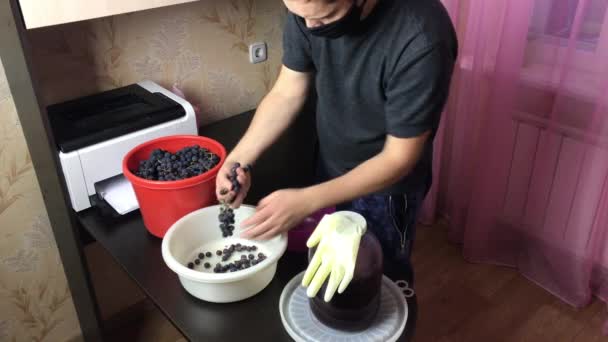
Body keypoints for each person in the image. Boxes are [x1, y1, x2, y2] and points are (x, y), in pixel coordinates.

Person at [215, 0, 458, 285]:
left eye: (325, 17)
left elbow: (399, 157)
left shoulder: (423, 37)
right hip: (331, 164)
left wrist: (308, 199)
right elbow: (287, 92)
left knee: (378, 277)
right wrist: (238, 159)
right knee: (334, 264)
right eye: (299, 16)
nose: (308, 27)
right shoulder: (306, 7)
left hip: (389, 189)